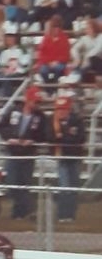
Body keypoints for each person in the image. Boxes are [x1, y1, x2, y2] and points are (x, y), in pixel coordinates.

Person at [0, 86, 47, 220]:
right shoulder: (14, 110)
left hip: (28, 153)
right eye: (35, 101)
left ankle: (20, 212)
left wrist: (32, 140)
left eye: (38, 102)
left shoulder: (40, 116)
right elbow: (0, 126)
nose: (37, 104)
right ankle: (28, 208)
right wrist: (9, 138)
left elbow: (44, 134)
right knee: (12, 182)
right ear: (28, 100)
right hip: (13, 152)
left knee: (24, 183)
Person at [49, 95, 85, 223]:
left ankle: (71, 214)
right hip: (62, 158)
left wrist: (62, 137)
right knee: (64, 186)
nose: (61, 111)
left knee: (73, 187)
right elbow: (50, 137)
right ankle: (62, 214)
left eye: (63, 109)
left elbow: (80, 138)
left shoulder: (77, 120)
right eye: (59, 109)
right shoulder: (53, 121)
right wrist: (64, 137)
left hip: (74, 158)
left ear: (69, 109)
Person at [36, 15, 71, 87]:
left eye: (58, 27)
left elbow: (66, 55)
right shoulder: (46, 39)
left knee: (59, 69)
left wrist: (57, 61)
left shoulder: (64, 38)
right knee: (43, 71)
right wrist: (49, 62)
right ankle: (49, 86)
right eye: (54, 27)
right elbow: (41, 53)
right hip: (46, 63)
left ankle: (55, 86)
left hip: (59, 63)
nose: (56, 29)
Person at [0, 23, 31, 97]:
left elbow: (25, 66)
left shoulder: (22, 50)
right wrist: (5, 70)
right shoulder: (4, 51)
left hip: (19, 73)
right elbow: (2, 65)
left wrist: (14, 70)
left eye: (11, 37)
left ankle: (7, 99)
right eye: (7, 37)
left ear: (16, 38)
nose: (8, 39)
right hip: (7, 73)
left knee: (7, 79)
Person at [71, 17, 102, 81]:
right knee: (78, 65)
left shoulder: (100, 37)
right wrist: (77, 58)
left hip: (98, 61)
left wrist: (87, 58)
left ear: (94, 28)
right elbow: (74, 49)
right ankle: (74, 78)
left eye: (89, 28)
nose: (87, 30)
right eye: (86, 28)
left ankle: (75, 78)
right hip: (85, 63)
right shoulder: (84, 38)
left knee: (93, 59)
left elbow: (97, 50)